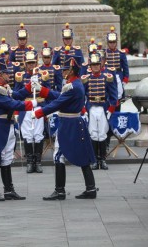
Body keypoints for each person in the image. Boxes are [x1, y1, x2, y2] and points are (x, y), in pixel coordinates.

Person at [32, 54, 98, 200]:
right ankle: (91, 187)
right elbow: (59, 96)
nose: (62, 72)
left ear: (71, 71)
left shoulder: (73, 86)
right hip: (74, 123)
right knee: (83, 155)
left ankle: (60, 190)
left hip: (69, 124)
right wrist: (42, 90)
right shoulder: (75, 84)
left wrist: (38, 113)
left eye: (65, 69)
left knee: (58, 155)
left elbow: (58, 102)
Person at [0, 58, 39, 201]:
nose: (9, 75)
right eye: (6, 73)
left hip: (6, 124)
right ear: (0, 74)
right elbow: (12, 103)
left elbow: (16, 95)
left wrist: (30, 86)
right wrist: (32, 103)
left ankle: (8, 190)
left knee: (7, 158)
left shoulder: (3, 87)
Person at [14, 48, 50, 173]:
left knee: (38, 135)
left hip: (39, 107)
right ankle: (30, 162)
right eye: (29, 63)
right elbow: (17, 95)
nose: (31, 65)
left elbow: (48, 93)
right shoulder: (20, 76)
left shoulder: (43, 76)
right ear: (25, 63)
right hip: (25, 108)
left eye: (33, 63)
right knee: (28, 136)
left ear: (36, 63)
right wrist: (17, 112)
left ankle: (38, 162)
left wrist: (47, 110)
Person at [82, 52, 117, 170]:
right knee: (93, 133)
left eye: (97, 64)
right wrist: (83, 109)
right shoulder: (86, 79)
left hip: (103, 108)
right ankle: (94, 160)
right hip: (91, 107)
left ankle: (103, 159)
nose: (96, 66)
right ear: (90, 66)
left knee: (102, 134)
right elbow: (82, 95)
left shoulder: (107, 77)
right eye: (93, 65)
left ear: (101, 65)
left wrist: (111, 108)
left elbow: (113, 94)